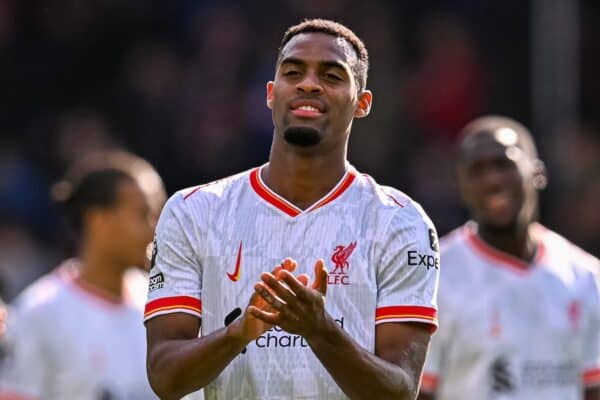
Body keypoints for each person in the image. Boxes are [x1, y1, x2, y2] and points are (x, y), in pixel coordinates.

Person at [145, 18, 440, 400]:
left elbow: (400, 390)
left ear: (362, 103)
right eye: (293, 71)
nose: (309, 84)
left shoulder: (401, 222)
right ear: (271, 93)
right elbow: (165, 378)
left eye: (332, 76)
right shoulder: (194, 212)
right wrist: (239, 333)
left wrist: (320, 330)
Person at [418, 116, 600, 400]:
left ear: (538, 173)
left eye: (504, 164)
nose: (492, 180)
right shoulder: (434, 279)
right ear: (461, 187)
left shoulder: (586, 277)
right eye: (477, 170)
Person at [0, 150, 167, 399]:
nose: (156, 229)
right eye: (143, 214)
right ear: (98, 220)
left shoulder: (161, 307)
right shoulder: (38, 313)